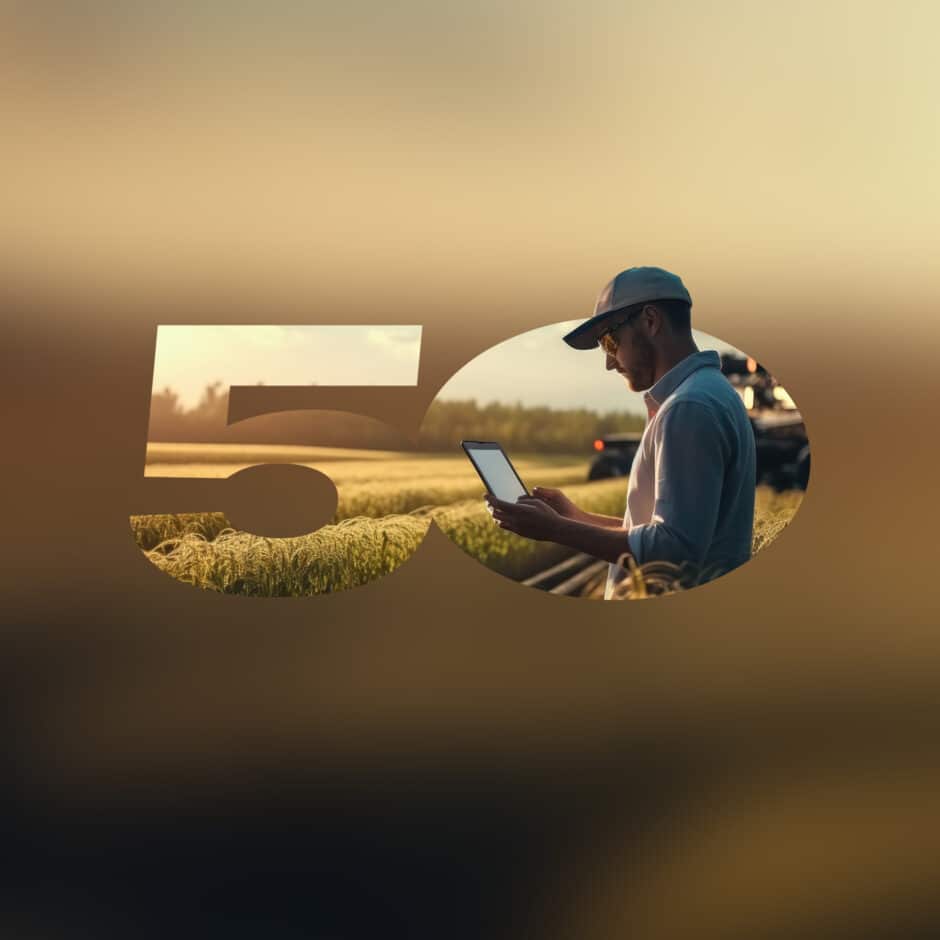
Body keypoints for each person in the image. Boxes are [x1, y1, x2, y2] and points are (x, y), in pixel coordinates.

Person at [485, 266, 756, 597]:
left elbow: (675, 549)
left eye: (609, 341)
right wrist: (573, 516)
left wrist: (555, 529)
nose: (609, 362)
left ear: (650, 321)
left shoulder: (689, 407)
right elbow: (658, 532)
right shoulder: (707, 393)